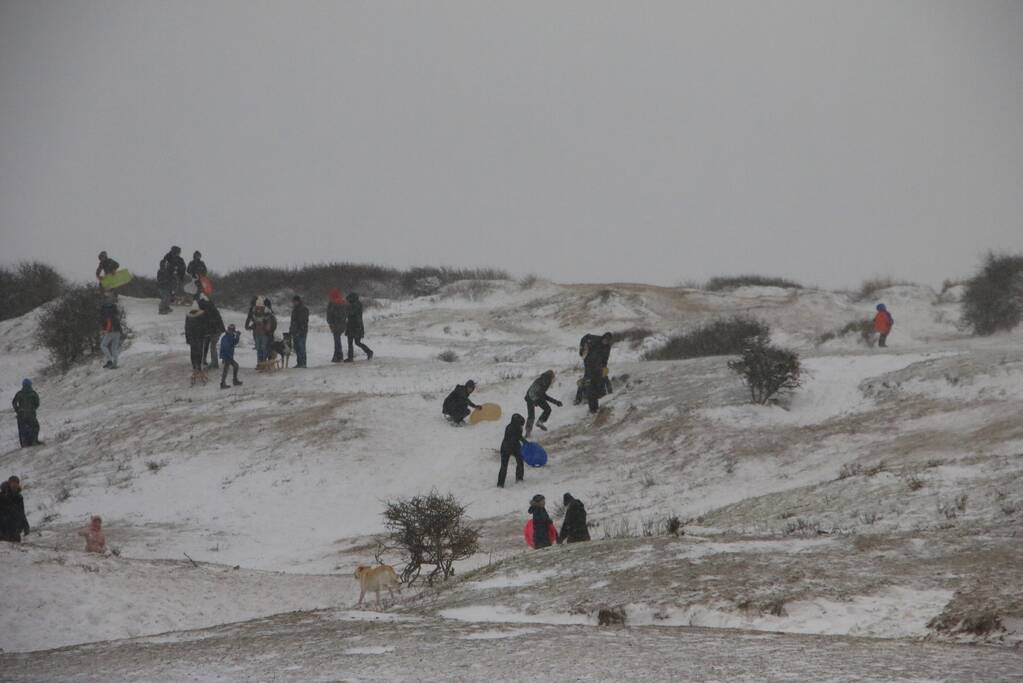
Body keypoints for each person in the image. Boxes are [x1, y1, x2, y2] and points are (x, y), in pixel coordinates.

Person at [575, 332, 614, 406]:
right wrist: (582, 348)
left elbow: (605, 358)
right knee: (587, 379)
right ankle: (578, 399)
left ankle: (606, 394)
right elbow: (585, 337)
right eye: (605, 339)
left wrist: (604, 367)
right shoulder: (595, 339)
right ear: (603, 337)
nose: (605, 341)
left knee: (603, 378)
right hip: (589, 363)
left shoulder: (607, 347)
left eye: (607, 341)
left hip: (599, 364)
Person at [524, 370, 562, 437]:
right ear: (551, 377)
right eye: (553, 377)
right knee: (547, 409)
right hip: (535, 397)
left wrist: (527, 397)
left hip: (529, 397)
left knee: (531, 416)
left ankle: (528, 432)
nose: (553, 379)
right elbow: (543, 395)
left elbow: (531, 389)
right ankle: (540, 422)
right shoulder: (546, 381)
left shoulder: (540, 379)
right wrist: (556, 402)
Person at [498, 414, 528, 488]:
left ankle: (500, 484)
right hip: (510, 447)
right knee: (519, 462)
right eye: (521, 424)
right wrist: (524, 443)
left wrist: (525, 442)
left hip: (506, 446)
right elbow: (517, 437)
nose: (522, 425)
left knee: (504, 466)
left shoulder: (509, 426)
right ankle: (519, 478)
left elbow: (519, 437)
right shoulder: (515, 428)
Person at [197, 294, 225, 370]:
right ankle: (206, 361)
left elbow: (208, 322)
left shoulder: (206, 309)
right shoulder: (211, 306)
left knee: (212, 346)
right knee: (209, 344)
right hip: (217, 329)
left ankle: (214, 363)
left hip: (215, 330)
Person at [245, 298, 275, 370]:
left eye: (260, 306)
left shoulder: (267, 312)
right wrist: (249, 326)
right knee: (259, 349)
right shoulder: (254, 312)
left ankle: (264, 363)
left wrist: (267, 329)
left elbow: (269, 322)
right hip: (257, 333)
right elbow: (252, 321)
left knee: (264, 348)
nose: (258, 307)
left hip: (265, 334)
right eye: (257, 306)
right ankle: (259, 363)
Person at [344, 292, 373, 362]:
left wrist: (346, 308)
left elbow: (351, 313)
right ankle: (350, 357)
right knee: (351, 342)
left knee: (356, 342)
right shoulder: (355, 304)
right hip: (353, 326)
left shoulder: (356, 305)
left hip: (356, 326)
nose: (347, 301)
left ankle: (369, 352)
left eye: (348, 300)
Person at [0, 476, 29, 543]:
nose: (14, 485)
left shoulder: (19, 497)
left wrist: (26, 525)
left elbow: (22, 513)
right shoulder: (1, 496)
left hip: (15, 532)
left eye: (16, 483)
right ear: (9, 484)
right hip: (2, 531)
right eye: (13, 483)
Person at [12, 379, 40, 448]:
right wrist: (32, 409)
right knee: (35, 427)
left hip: (21, 415)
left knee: (22, 429)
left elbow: (14, 402)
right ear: (30, 385)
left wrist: (17, 410)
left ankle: (24, 444)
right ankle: (34, 441)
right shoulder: (33, 393)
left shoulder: (19, 393)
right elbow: (37, 403)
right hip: (31, 414)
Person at [185, 306, 208, 385]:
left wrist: (188, 339)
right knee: (199, 352)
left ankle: (195, 367)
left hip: (192, 338)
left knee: (193, 352)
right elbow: (204, 326)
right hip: (199, 337)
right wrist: (205, 335)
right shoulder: (201, 315)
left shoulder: (188, 316)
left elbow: (186, 328)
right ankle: (199, 367)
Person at [99, 297, 123, 369]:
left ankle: (110, 361)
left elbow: (109, 322)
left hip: (111, 331)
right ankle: (114, 364)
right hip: (118, 331)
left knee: (103, 345)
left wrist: (106, 330)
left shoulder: (106, 313)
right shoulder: (114, 312)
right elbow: (116, 320)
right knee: (114, 349)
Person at [218, 324, 243, 389]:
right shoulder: (227, 337)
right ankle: (223, 383)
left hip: (228, 355)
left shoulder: (229, 336)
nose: (232, 331)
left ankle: (233, 380)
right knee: (226, 369)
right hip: (227, 356)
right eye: (232, 330)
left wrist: (237, 336)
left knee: (235, 366)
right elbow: (227, 346)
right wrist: (225, 356)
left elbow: (235, 342)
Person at [327, 288, 347, 363]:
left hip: (335, 324)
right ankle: (338, 355)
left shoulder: (332, 304)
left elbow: (330, 314)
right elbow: (344, 314)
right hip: (341, 324)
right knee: (337, 340)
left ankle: (338, 355)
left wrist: (331, 323)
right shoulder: (342, 302)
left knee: (337, 340)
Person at [289, 295, 309, 368]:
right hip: (295, 331)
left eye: (295, 301)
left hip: (301, 332)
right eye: (293, 302)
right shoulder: (294, 309)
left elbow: (303, 321)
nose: (293, 303)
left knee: (301, 347)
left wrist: (300, 330)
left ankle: (303, 363)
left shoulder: (303, 309)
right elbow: (292, 321)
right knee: (297, 348)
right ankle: (299, 362)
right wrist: (291, 330)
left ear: (298, 301)